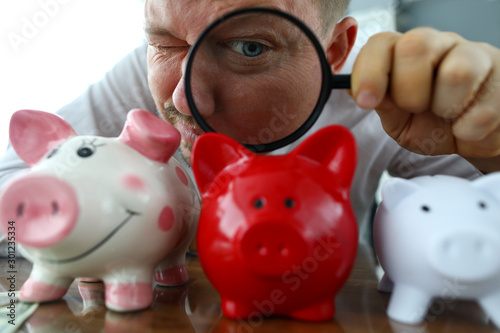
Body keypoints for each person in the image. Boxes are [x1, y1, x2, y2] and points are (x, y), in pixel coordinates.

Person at [1, 0, 499, 245]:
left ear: (335, 52)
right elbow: (9, 204)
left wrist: (493, 147)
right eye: (165, 43)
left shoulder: (381, 103)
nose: (184, 97)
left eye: (250, 48)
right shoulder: (139, 73)